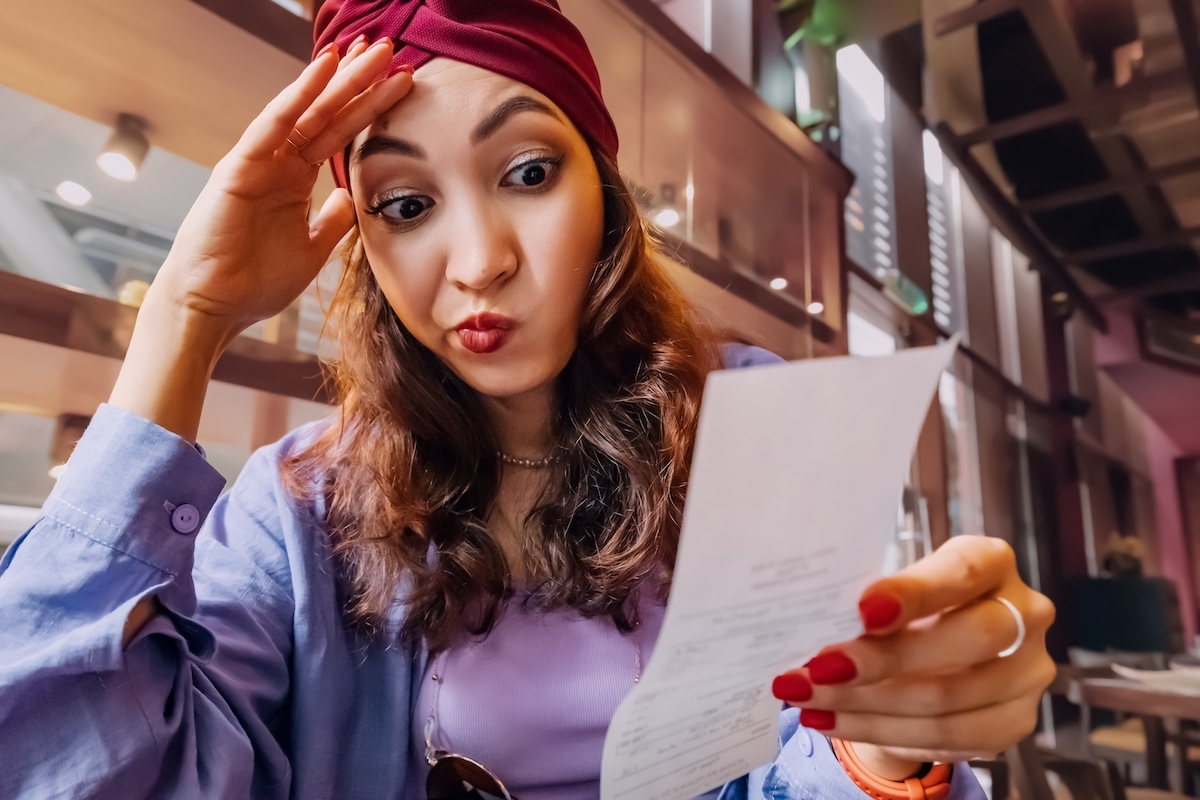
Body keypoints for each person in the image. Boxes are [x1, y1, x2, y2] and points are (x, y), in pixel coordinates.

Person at [0, 2, 1056, 798]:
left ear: (602, 187)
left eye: (528, 171)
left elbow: (813, 751)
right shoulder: (299, 506)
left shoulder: (747, 421)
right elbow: (68, 761)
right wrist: (185, 317)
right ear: (364, 237)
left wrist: (884, 742)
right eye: (406, 204)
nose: (478, 262)